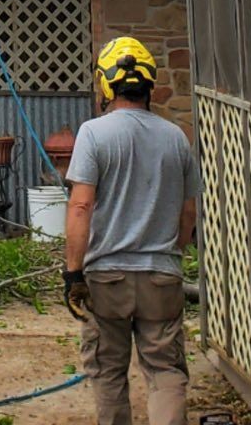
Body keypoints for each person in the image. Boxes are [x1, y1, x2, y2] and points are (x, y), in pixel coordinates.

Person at [63, 37, 200, 425]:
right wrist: (172, 252)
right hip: (161, 277)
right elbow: (188, 212)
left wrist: (73, 274)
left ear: (106, 85)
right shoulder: (176, 137)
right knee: (165, 371)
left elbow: (80, 205)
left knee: (108, 372)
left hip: (107, 278)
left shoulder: (93, 133)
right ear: (149, 86)